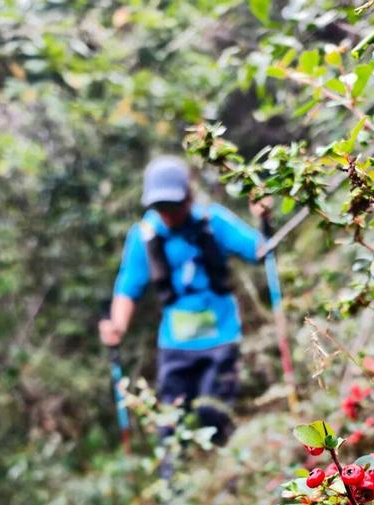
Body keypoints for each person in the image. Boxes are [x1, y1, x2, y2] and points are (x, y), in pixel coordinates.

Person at [99, 155, 269, 445]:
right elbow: (128, 285)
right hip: (176, 344)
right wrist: (117, 325)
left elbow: (259, 250)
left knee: (213, 414)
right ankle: (173, 484)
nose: (168, 214)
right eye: (160, 207)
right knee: (170, 424)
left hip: (221, 337)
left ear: (188, 197)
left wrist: (263, 217)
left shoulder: (212, 220)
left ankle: (222, 479)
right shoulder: (145, 235)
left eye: (173, 205)